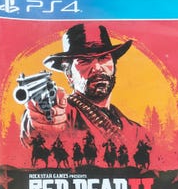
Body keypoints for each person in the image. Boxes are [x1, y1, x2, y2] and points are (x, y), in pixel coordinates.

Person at [21, 23, 151, 162]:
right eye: (84, 61)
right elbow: (37, 128)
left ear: (114, 65)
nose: (97, 67)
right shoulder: (63, 111)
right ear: (69, 74)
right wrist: (40, 118)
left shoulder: (137, 131)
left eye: (103, 58)